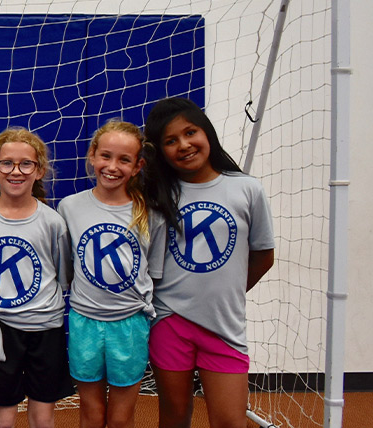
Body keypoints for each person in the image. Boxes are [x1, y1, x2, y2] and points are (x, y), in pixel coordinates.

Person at [141, 97, 275, 428]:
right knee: (174, 418)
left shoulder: (247, 189)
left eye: (190, 133)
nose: (184, 145)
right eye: (170, 141)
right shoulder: (158, 194)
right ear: (160, 150)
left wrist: (225, 293)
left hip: (224, 326)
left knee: (230, 421)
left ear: (207, 133)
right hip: (170, 321)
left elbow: (263, 255)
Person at [0, 127, 73, 428]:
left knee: (42, 414)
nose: (16, 171)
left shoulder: (53, 222)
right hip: (3, 332)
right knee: (3, 413)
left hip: (46, 330)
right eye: (7, 163)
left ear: (39, 171)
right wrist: (1, 313)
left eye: (26, 164)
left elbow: (62, 280)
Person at [57, 120, 165, 428]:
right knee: (91, 413)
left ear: (138, 165)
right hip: (84, 322)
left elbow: (153, 274)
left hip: (130, 325)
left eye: (124, 159)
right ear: (92, 155)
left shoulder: (151, 213)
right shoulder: (69, 207)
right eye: (105, 156)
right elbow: (67, 268)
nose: (112, 166)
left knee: (120, 418)